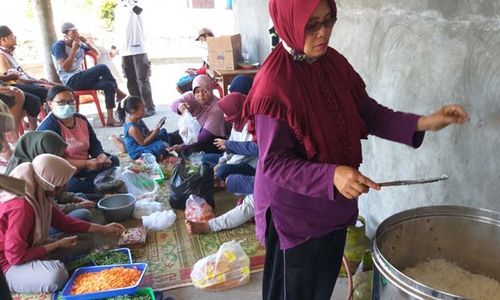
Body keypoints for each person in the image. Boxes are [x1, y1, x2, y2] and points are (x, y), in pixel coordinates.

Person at [242, 0, 470, 299]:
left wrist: (425, 122)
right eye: (311, 26)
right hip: (296, 217)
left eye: (329, 21)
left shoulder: (332, 63)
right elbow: (275, 163)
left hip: (333, 206)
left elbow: (369, 113)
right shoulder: (274, 85)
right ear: (289, 23)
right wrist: (331, 176)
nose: (323, 33)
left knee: (319, 288)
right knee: (294, 292)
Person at [0, 154, 125, 293]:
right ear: (50, 184)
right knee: (57, 275)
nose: (65, 188)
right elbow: (15, 257)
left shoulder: (38, 190)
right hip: (7, 266)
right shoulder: (21, 207)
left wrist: (103, 229)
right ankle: (35, 271)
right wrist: (56, 245)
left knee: (84, 239)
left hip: (28, 249)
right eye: (61, 185)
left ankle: (44, 262)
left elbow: (63, 221)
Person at [37, 85, 119, 193]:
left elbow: (94, 144)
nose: (67, 105)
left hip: (86, 167)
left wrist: (100, 156)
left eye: (70, 101)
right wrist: (86, 164)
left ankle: (92, 188)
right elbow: (54, 161)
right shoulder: (48, 128)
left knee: (113, 160)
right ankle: (92, 188)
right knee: (73, 187)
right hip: (63, 170)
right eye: (61, 102)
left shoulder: (81, 119)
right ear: (50, 104)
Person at [5, 131, 95, 223]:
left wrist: (74, 199)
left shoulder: (37, 165)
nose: (63, 159)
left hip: (47, 206)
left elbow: (51, 193)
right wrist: (80, 206)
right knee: (83, 214)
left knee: (80, 196)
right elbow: (49, 207)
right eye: (58, 156)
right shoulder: (23, 177)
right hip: (35, 221)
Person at [51, 22, 127, 126]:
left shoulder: (80, 44)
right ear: (66, 35)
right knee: (102, 67)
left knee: (108, 85)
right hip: (71, 81)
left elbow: (97, 54)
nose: (77, 34)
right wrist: (73, 50)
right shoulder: (59, 46)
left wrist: (86, 42)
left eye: (77, 31)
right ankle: (118, 92)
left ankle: (110, 119)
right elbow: (65, 68)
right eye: (73, 32)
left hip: (82, 77)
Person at [0, 25, 56, 129]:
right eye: (12, 36)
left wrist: (37, 80)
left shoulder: (10, 53)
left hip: (21, 84)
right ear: (3, 39)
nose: (15, 38)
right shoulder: (1, 55)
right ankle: (40, 126)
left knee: (54, 87)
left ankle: (38, 124)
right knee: (48, 92)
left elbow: (22, 72)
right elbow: (13, 79)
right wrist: (35, 82)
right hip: (15, 85)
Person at [203, 92, 257, 188]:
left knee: (222, 171)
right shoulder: (237, 121)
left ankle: (219, 179)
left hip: (249, 164)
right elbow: (231, 144)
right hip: (236, 159)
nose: (227, 116)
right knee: (205, 158)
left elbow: (244, 154)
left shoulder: (250, 124)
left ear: (236, 108)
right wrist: (222, 160)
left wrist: (224, 165)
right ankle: (217, 176)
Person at [116, 0, 156, 117]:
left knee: (142, 79)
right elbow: (118, 27)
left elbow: (138, 11)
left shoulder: (138, 4)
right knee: (130, 79)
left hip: (139, 49)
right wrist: (114, 46)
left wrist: (128, 1)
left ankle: (149, 107)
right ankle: (136, 107)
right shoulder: (118, 7)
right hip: (124, 50)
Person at [169, 75, 226, 155]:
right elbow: (173, 104)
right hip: (196, 132)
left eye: (205, 91)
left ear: (210, 90)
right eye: (197, 91)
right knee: (174, 136)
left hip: (211, 139)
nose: (201, 95)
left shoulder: (217, 107)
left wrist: (181, 147)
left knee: (191, 151)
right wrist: (180, 106)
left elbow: (204, 135)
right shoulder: (191, 96)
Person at [118, 96, 170, 160]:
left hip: (143, 142)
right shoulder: (132, 128)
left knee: (163, 132)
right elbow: (143, 143)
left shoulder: (139, 119)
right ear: (134, 111)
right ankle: (140, 159)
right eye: (142, 110)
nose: (144, 111)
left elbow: (147, 134)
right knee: (161, 145)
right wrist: (154, 134)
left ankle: (161, 153)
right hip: (137, 149)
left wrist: (156, 128)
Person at [176, 28, 214, 94]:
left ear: (206, 36)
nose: (202, 42)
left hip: (207, 76)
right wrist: (195, 70)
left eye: (202, 39)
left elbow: (210, 68)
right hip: (202, 73)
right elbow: (206, 66)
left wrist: (195, 72)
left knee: (179, 86)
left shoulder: (213, 47)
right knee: (181, 80)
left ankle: (193, 100)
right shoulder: (208, 47)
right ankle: (194, 98)